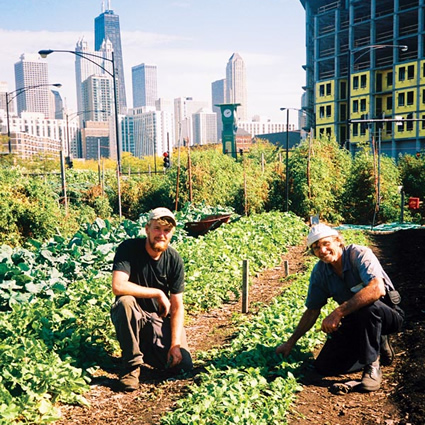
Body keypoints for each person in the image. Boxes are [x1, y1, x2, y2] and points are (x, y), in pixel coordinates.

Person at [276, 223, 404, 392]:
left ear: (338, 241)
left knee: (368, 307)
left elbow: (377, 289)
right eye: (316, 248)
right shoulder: (320, 272)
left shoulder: (359, 254)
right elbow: (312, 310)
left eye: (326, 243)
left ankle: (372, 367)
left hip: (387, 315)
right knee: (324, 366)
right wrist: (290, 342)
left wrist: (338, 312)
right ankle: (374, 347)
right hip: (355, 321)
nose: (322, 250)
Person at [111, 207, 193, 392]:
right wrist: (157, 293)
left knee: (184, 365)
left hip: (158, 320)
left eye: (166, 230)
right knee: (124, 302)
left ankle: (146, 350)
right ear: (147, 228)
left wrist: (174, 345)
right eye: (157, 228)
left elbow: (177, 306)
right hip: (135, 315)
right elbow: (118, 286)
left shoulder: (174, 259)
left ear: (172, 233)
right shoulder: (129, 249)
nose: (161, 235)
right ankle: (131, 368)